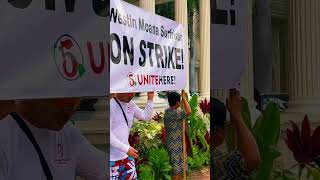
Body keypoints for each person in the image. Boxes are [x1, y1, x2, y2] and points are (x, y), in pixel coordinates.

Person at [0, 98, 107, 180]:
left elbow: (105, 169)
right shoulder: (6, 136)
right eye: (63, 103)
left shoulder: (67, 131)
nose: (71, 112)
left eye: (76, 103)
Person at [211, 90, 261, 179]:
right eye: (225, 124)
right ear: (218, 131)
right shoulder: (215, 162)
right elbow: (251, 160)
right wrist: (237, 116)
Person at [110, 92, 154, 180]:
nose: (131, 95)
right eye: (128, 92)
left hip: (127, 157)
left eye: (133, 91)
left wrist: (150, 99)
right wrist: (126, 149)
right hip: (111, 159)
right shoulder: (111, 105)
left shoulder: (131, 104)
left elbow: (146, 117)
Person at [163, 90, 192, 180]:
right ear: (177, 102)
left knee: (179, 167)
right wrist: (184, 98)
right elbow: (189, 111)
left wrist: (182, 99)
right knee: (176, 169)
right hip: (174, 145)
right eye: (179, 100)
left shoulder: (169, 111)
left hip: (176, 143)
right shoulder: (173, 113)